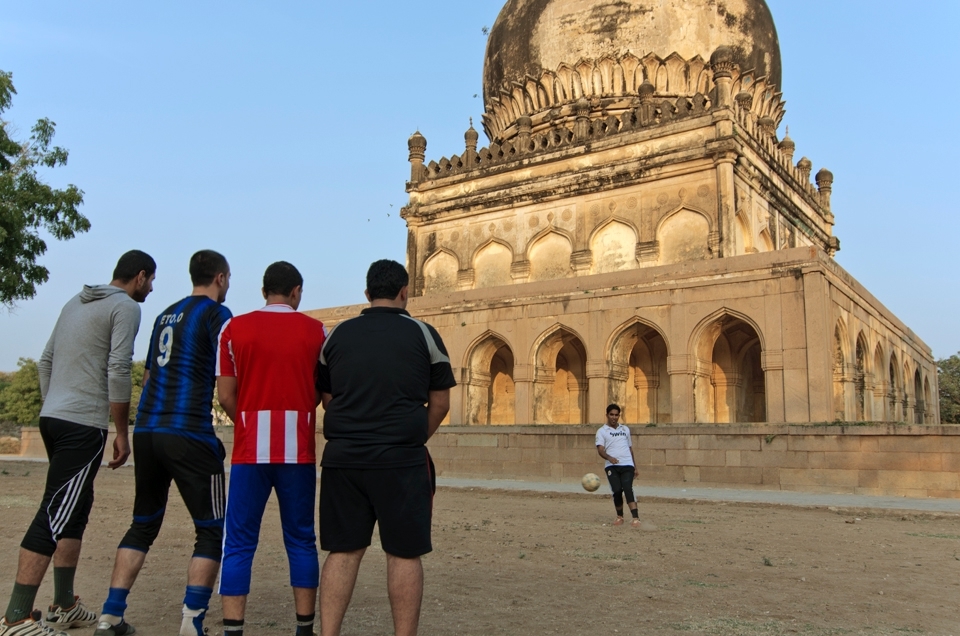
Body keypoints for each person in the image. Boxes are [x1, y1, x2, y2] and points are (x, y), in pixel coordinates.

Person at [0, 251, 155, 636]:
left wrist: (53, 401)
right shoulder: (125, 308)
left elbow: (44, 360)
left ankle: (65, 605)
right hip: (82, 423)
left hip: (54, 416)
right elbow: (119, 368)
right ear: (139, 276)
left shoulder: (75, 301)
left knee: (75, 507)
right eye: (151, 281)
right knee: (55, 512)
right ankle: (16, 617)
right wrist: (122, 431)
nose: (151, 289)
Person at [93, 250, 233, 636]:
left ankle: (111, 614)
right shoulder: (218, 316)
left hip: (149, 430)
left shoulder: (165, 314)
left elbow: (151, 377)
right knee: (211, 529)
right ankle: (192, 621)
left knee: (143, 523)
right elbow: (226, 382)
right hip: (188, 430)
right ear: (220, 278)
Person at [316, 259, 456, 636]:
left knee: (343, 552)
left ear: (367, 294)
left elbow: (328, 397)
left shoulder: (338, 336)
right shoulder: (423, 334)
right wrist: (409, 435)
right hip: (401, 459)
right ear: (404, 292)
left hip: (344, 458)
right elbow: (440, 403)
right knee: (404, 553)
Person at [215, 261, 327, 636]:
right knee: (301, 538)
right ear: (296, 291)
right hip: (298, 450)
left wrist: (250, 417)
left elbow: (226, 395)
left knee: (240, 542)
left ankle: (233, 628)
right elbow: (318, 394)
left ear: (264, 291)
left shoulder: (233, 329)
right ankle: (304, 628)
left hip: (250, 451)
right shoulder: (316, 331)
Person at [596, 404, 640, 527]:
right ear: (607, 415)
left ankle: (635, 518)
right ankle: (620, 516)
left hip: (627, 464)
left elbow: (630, 449)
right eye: (611, 415)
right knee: (616, 490)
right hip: (611, 466)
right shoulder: (602, 431)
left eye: (616, 415)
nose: (614, 417)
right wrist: (610, 458)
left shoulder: (625, 430)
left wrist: (635, 466)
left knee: (627, 487)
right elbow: (600, 450)